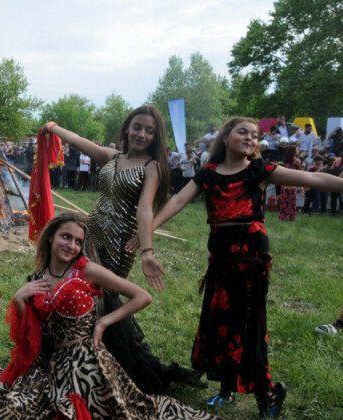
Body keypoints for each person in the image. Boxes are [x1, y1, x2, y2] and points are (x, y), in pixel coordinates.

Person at [139, 117, 343, 419]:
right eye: (243, 132)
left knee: (248, 328)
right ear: (226, 138)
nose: (251, 138)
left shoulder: (259, 170)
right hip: (220, 258)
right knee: (219, 321)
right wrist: (148, 231)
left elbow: (310, 180)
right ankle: (227, 390)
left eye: (255, 135)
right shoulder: (208, 174)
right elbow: (179, 200)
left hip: (250, 257)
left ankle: (269, 395)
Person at [0, 213, 219, 420]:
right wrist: (20, 298)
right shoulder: (37, 277)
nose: (72, 246)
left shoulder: (86, 270)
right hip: (50, 363)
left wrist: (104, 322)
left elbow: (143, 297)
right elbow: (32, 333)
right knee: (9, 409)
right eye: (66, 237)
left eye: (78, 241)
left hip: (86, 364)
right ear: (51, 237)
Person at [41, 106, 203, 395]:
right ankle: (71, 356)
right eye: (137, 127)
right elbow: (80, 141)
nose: (142, 134)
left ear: (156, 136)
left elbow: (144, 208)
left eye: (149, 130)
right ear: (127, 128)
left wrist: (147, 249)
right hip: (89, 232)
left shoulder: (153, 166)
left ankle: (108, 361)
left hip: (119, 244)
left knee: (103, 297)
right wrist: (53, 127)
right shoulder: (113, 157)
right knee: (77, 289)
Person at [278, 145, 301, 221]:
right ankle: (291, 217)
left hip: (284, 182)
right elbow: (300, 172)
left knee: (284, 201)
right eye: (297, 149)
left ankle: (283, 216)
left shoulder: (285, 160)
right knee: (292, 201)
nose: (298, 150)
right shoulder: (297, 161)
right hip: (292, 183)